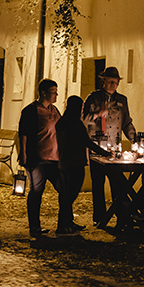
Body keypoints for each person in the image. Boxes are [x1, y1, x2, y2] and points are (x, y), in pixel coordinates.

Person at [82, 66, 136, 227]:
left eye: (116, 82)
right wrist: (97, 115)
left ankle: (122, 216)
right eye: (110, 81)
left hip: (114, 149)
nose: (113, 85)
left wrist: (135, 139)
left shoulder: (122, 100)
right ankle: (100, 217)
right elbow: (83, 120)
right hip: (96, 149)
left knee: (118, 183)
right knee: (98, 184)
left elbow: (126, 122)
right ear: (103, 81)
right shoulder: (93, 98)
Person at [17, 79, 63, 240]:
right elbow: (24, 133)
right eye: (53, 92)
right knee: (36, 191)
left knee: (64, 189)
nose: (56, 95)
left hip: (55, 158)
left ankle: (65, 223)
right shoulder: (31, 111)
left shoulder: (54, 110)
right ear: (43, 93)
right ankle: (34, 226)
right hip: (38, 159)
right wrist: (23, 154)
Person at [54, 95, 97, 235]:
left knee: (65, 195)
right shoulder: (76, 124)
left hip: (63, 163)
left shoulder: (61, 122)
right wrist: (106, 153)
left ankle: (67, 222)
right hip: (75, 163)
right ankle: (62, 225)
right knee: (70, 196)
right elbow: (87, 142)